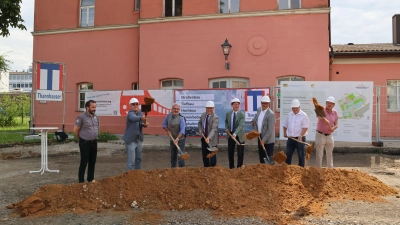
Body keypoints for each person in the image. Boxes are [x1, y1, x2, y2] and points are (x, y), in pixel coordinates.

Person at [73, 100, 99, 183]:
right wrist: (81, 139)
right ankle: (81, 181)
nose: (94, 109)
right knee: (84, 162)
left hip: (94, 142)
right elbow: (75, 130)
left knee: (92, 161)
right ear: (87, 107)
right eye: (93, 107)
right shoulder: (81, 117)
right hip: (85, 143)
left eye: (95, 107)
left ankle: (90, 178)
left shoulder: (96, 117)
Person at [122, 98, 149, 171]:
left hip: (138, 139)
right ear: (130, 105)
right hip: (130, 140)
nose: (135, 105)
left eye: (137, 104)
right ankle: (128, 177)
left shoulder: (140, 113)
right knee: (131, 161)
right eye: (133, 104)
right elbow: (134, 118)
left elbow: (141, 123)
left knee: (138, 159)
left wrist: (145, 124)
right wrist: (141, 118)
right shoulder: (130, 113)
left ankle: (137, 175)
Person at [283, 99, 309, 167]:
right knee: (288, 154)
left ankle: (301, 169)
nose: (294, 109)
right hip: (291, 138)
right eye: (293, 108)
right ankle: (287, 168)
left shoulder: (303, 115)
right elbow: (285, 125)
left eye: (296, 108)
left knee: (301, 155)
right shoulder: (289, 115)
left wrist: (301, 135)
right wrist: (284, 132)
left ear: (299, 107)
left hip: (300, 139)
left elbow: (305, 127)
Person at [315, 96, 339, 168]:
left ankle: (330, 170)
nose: (329, 104)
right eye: (328, 103)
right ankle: (318, 170)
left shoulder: (335, 113)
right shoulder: (321, 109)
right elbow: (318, 115)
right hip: (320, 135)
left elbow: (336, 124)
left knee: (329, 153)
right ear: (326, 103)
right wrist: (324, 119)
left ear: (333, 105)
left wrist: (333, 128)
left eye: (331, 103)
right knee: (319, 154)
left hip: (329, 136)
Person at [251, 95, 276, 164]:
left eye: (266, 103)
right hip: (260, 136)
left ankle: (269, 171)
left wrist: (264, 140)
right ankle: (262, 171)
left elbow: (270, 129)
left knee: (268, 156)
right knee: (261, 155)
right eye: (263, 103)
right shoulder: (259, 109)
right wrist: (253, 121)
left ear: (269, 104)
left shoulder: (271, 114)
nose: (264, 105)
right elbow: (256, 116)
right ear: (261, 103)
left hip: (268, 138)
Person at [162, 103, 186, 168]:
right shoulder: (168, 116)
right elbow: (164, 125)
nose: (176, 110)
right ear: (171, 109)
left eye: (177, 109)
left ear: (179, 110)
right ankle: (173, 170)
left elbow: (182, 131)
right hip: (172, 139)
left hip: (180, 140)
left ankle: (182, 171)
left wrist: (177, 139)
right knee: (173, 156)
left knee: (180, 156)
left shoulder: (181, 118)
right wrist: (167, 130)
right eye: (174, 109)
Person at [225, 98, 245, 169]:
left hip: (240, 135)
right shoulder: (228, 114)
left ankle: (239, 168)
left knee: (240, 153)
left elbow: (240, 125)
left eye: (238, 104)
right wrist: (227, 128)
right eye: (235, 104)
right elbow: (226, 122)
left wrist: (235, 133)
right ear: (232, 105)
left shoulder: (242, 115)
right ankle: (231, 167)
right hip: (230, 134)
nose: (236, 106)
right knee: (230, 152)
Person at [198, 100, 219, 167]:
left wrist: (209, 138)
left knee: (212, 157)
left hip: (212, 140)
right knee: (205, 156)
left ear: (213, 108)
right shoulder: (203, 115)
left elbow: (214, 129)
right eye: (208, 108)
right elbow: (199, 123)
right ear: (206, 108)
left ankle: (213, 171)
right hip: (204, 138)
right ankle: (206, 170)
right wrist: (200, 129)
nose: (209, 109)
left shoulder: (215, 117)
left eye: (211, 108)